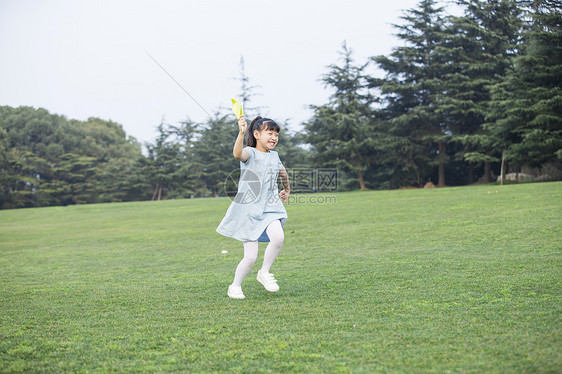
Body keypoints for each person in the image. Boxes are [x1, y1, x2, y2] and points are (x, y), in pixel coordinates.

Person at [216, 115, 290, 299]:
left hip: (271, 207)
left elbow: (283, 172)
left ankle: (264, 272)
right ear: (256, 134)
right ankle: (235, 286)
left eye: (276, 134)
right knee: (250, 257)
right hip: (249, 210)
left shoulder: (275, 156)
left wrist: (286, 188)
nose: (273, 137)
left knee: (278, 237)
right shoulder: (250, 152)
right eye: (269, 133)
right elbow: (237, 154)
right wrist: (241, 133)